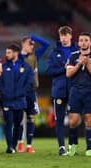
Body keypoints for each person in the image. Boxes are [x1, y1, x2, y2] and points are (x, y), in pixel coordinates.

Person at [46, 26, 78, 155]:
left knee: (73, 118)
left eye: (66, 35)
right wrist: (64, 69)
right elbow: (49, 70)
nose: (64, 38)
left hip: (74, 89)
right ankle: (61, 147)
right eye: (61, 35)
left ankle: (72, 146)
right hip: (59, 90)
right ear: (59, 37)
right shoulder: (54, 52)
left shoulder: (77, 51)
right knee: (59, 119)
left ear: (71, 36)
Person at [0, 44, 34, 153]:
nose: (6, 54)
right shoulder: (3, 67)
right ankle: (10, 146)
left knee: (18, 124)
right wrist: (4, 93)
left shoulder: (26, 67)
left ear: (15, 53)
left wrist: (21, 93)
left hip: (20, 100)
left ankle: (14, 144)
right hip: (7, 100)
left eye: (9, 52)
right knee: (8, 122)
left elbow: (29, 83)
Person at [18, 34, 50, 153]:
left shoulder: (35, 55)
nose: (32, 46)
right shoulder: (17, 57)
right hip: (20, 92)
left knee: (31, 116)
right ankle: (20, 143)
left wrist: (34, 37)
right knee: (20, 117)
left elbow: (46, 44)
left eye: (33, 44)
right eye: (29, 44)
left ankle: (29, 145)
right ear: (23, 45)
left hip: (32, 90)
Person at [66, 32, 91, 156]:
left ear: (90, 42)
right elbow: (68, 74)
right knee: (73, 121)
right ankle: (73, 145)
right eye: (81, 40)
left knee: (89, 120)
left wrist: (87, 63)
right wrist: (79, 63)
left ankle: (89, 148)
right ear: (78, 42)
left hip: (89, 92)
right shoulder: (73, 56)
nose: (83, 42)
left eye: (86, 40)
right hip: (75, 91)